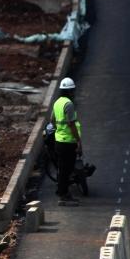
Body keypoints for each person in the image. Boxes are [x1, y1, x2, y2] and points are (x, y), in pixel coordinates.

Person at [52, 77, 82, 206]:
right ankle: (63, 195)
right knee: (67, 170)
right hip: (68, 142)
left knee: (62, 168)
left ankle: (61, 192)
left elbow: (52, 120)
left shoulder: (57, 102)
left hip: (58, 140)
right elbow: (71, 124)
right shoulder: (68, 104)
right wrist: (78, 141)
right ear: (70, 91)